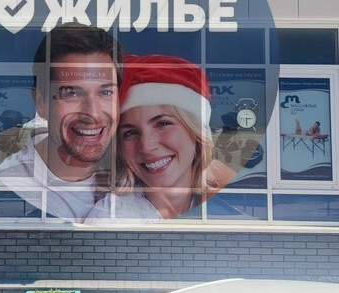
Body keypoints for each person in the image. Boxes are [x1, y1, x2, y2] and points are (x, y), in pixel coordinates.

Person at [0, 23, 123, 223]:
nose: (93, 113)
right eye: (71, 93)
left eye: (105, 92)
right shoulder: (11, 186)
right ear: (40, 102)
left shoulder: (137, 172)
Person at [85, 55, 234, 225]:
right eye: (130, 133)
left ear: (195, 132)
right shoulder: (110, 219)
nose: (146, 146)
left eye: (162, 124)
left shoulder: (232, 206)